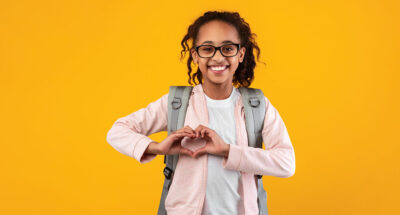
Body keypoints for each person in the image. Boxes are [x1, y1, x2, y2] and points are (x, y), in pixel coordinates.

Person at [106, 10, 296, 215]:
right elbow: (117, 131)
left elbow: (286, 163)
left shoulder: (257, 106)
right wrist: (157, 148)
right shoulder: (177, 103)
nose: (217, 56)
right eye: (207, 49)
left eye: (228, 48)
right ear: (195, 55)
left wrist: (227, 150)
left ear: (240, 54)